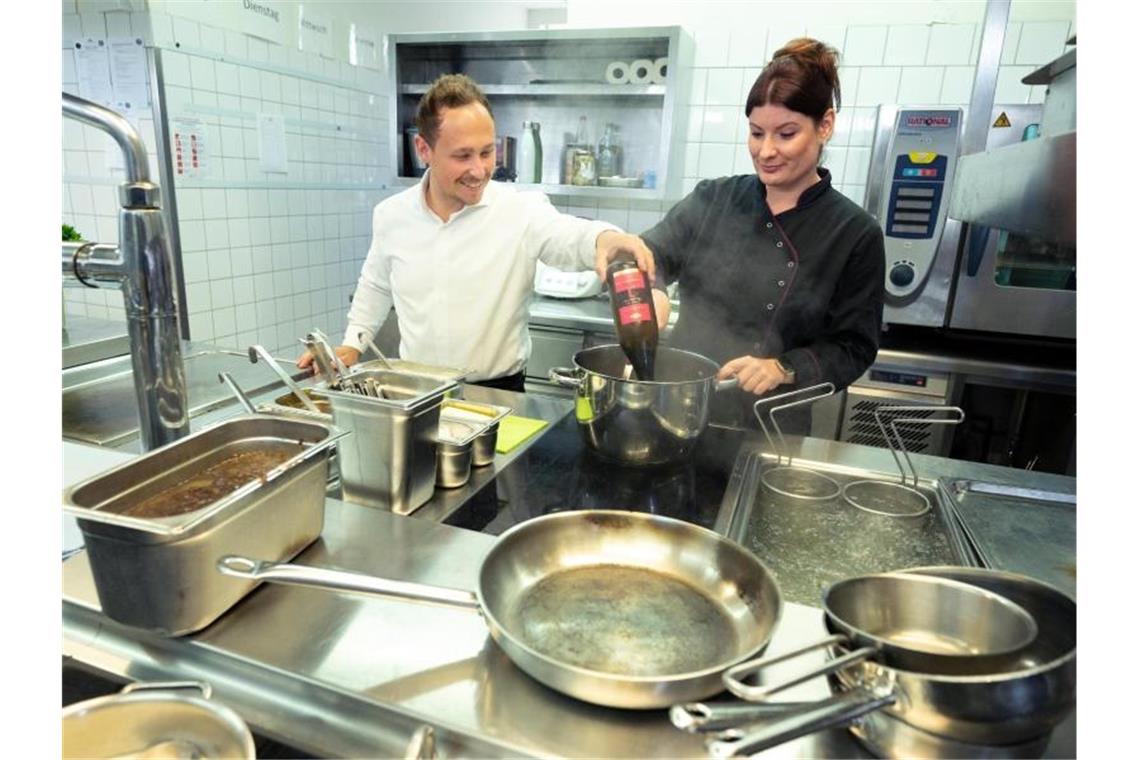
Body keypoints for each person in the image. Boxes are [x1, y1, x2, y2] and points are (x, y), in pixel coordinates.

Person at [299, 73, 654, 391]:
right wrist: (352, 344)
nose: (479, 170)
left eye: (487, 152)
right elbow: (376, 284)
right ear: (424, 149)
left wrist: (604, 238)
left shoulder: (519, 210)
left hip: (499, 394)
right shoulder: (392, 216)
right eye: (462, 155)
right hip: (419, 393)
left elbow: (567, 234)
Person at [599, 38, 885, 432]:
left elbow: (854, 346)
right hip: (680, 408)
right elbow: (645, 255)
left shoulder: (854, 232)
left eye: (786, 134)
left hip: (773, 426)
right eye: (755, 133)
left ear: (826, 125)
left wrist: (783, 367)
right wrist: (655, 289)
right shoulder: (714, 198)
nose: (766, 151)